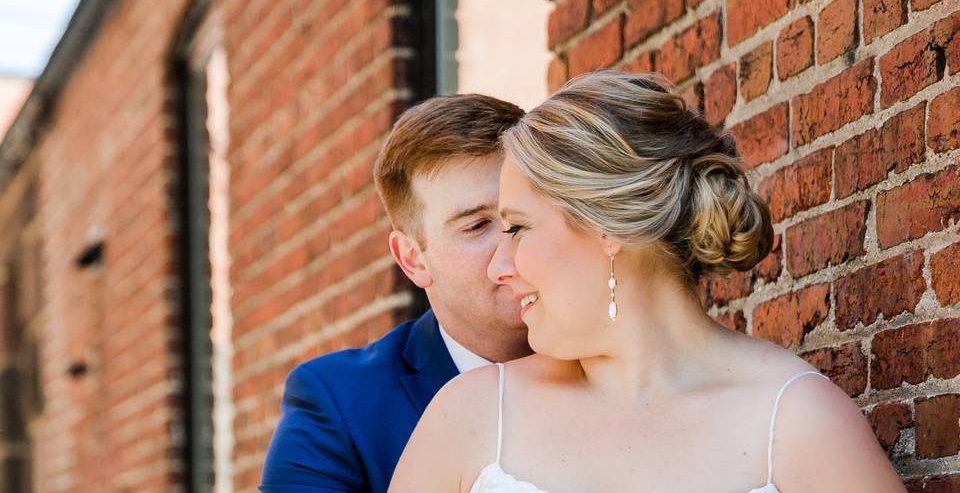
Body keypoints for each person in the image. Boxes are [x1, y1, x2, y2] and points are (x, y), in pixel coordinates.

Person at [389, 71, 907, 492]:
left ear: (607, 226)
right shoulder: (469, 417)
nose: (501, 265)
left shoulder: (796, 420)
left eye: (518, 228)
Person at [259, 94, 533, 493]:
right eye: (477, 226)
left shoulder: (619, 361)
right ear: (413, 260)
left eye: (522, 219)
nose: (511, 249)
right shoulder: (338, 406)